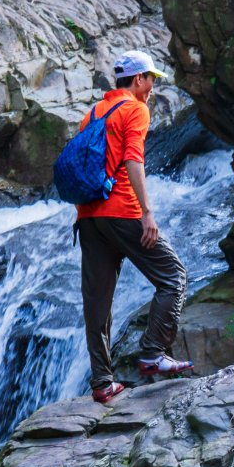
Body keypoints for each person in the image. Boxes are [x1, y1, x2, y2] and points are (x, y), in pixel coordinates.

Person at [75, 50, 194, 405]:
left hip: (87, 217)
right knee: (173, 276)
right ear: (138, 79)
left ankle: (102, 382)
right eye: (151, 79)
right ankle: (153, 352)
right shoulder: (135, 109)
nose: (153, 87)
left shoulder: (92, 113)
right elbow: (132, 160)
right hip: (122, 210)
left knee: (97, 302)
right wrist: (147, 212)